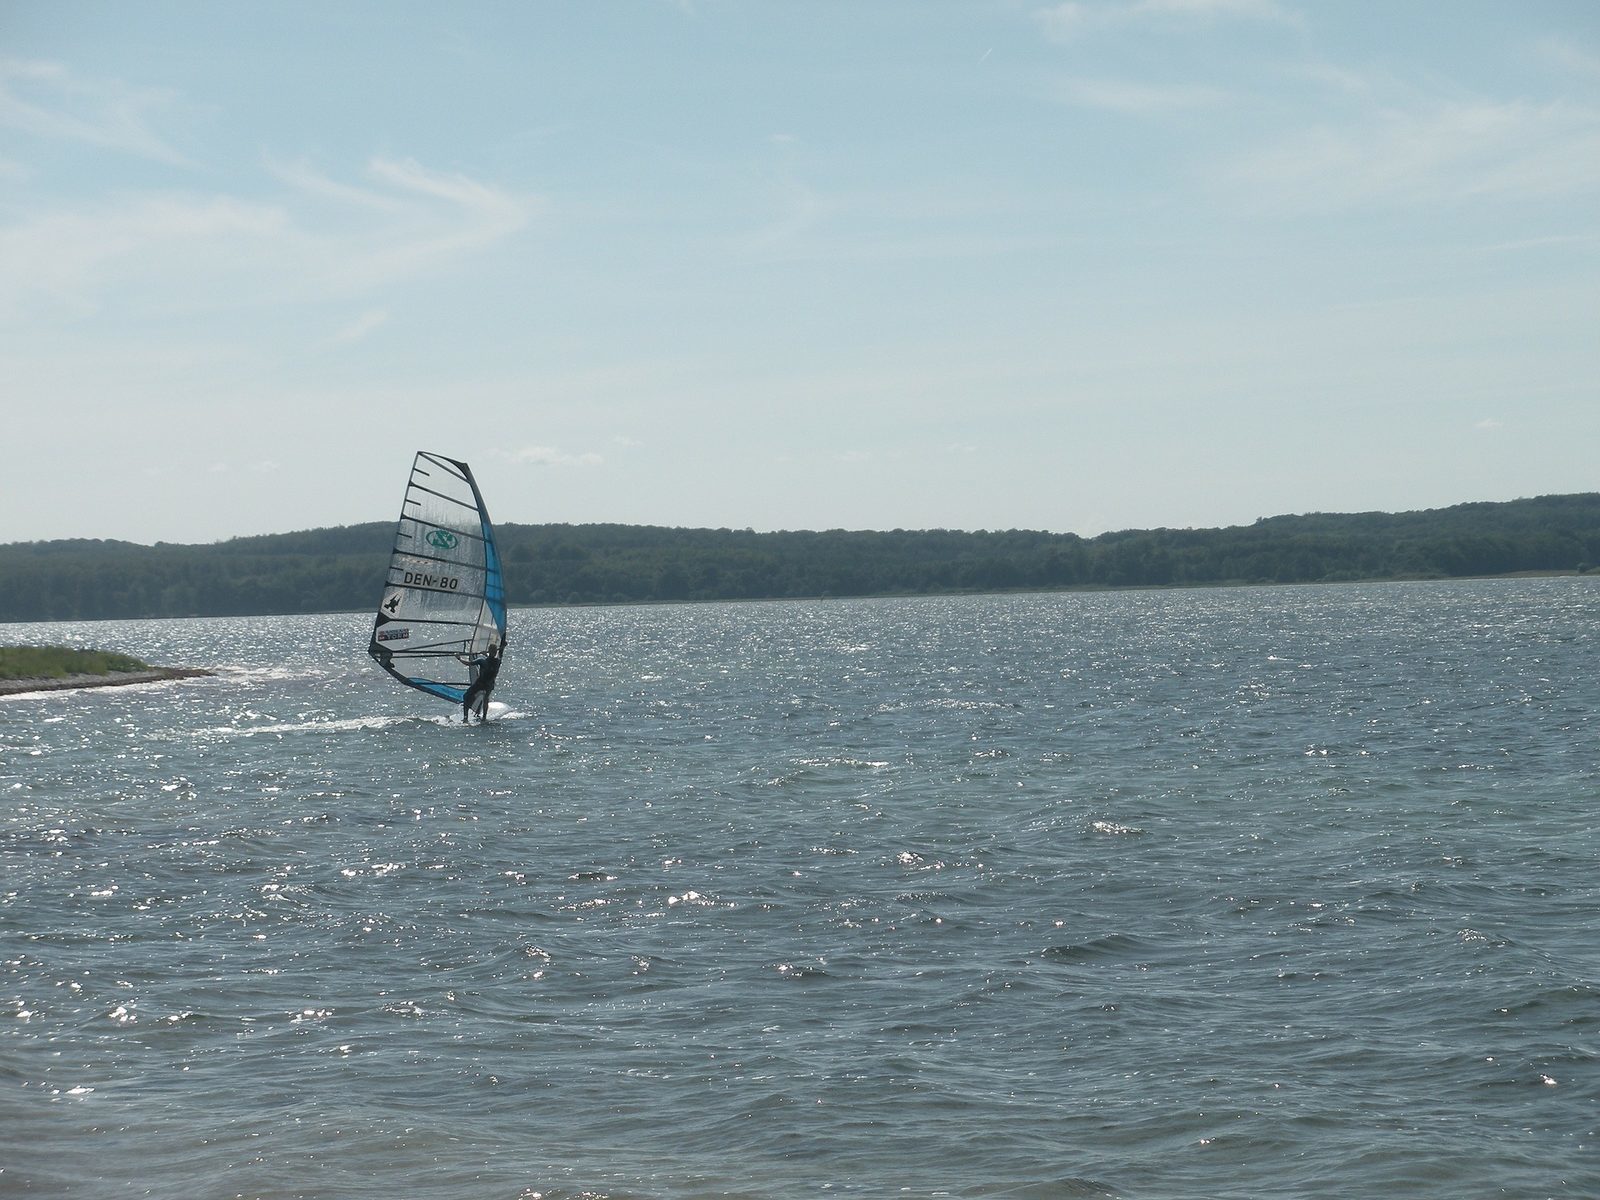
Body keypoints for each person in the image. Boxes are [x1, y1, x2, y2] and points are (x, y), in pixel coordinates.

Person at [461, 640, 503, 724]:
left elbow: (468, 663)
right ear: (495, 652)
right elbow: (499, 654)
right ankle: (484, 717)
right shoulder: (498, 661)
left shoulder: (482, 661)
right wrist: (502, 645)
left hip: (480, 684)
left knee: (466, 696)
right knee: (486, 699)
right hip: (489, 685)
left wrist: (459, 658)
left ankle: (465, 718)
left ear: (489, 650)